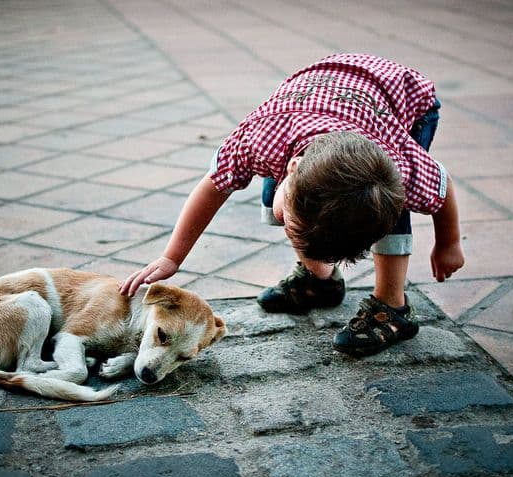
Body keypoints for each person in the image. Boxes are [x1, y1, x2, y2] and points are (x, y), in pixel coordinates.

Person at [120, 53, 464, 356]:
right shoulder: (258, 140)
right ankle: (320, 281)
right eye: (293, 229)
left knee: (385, 207)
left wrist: (448, 243)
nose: (291, 234)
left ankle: (393, 306)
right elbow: (213, 187)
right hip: (323, 94)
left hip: (408, 103)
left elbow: (441, 183)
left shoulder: (400, 165)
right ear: (292, 168)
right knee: (276, 200)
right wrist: (172, 257)